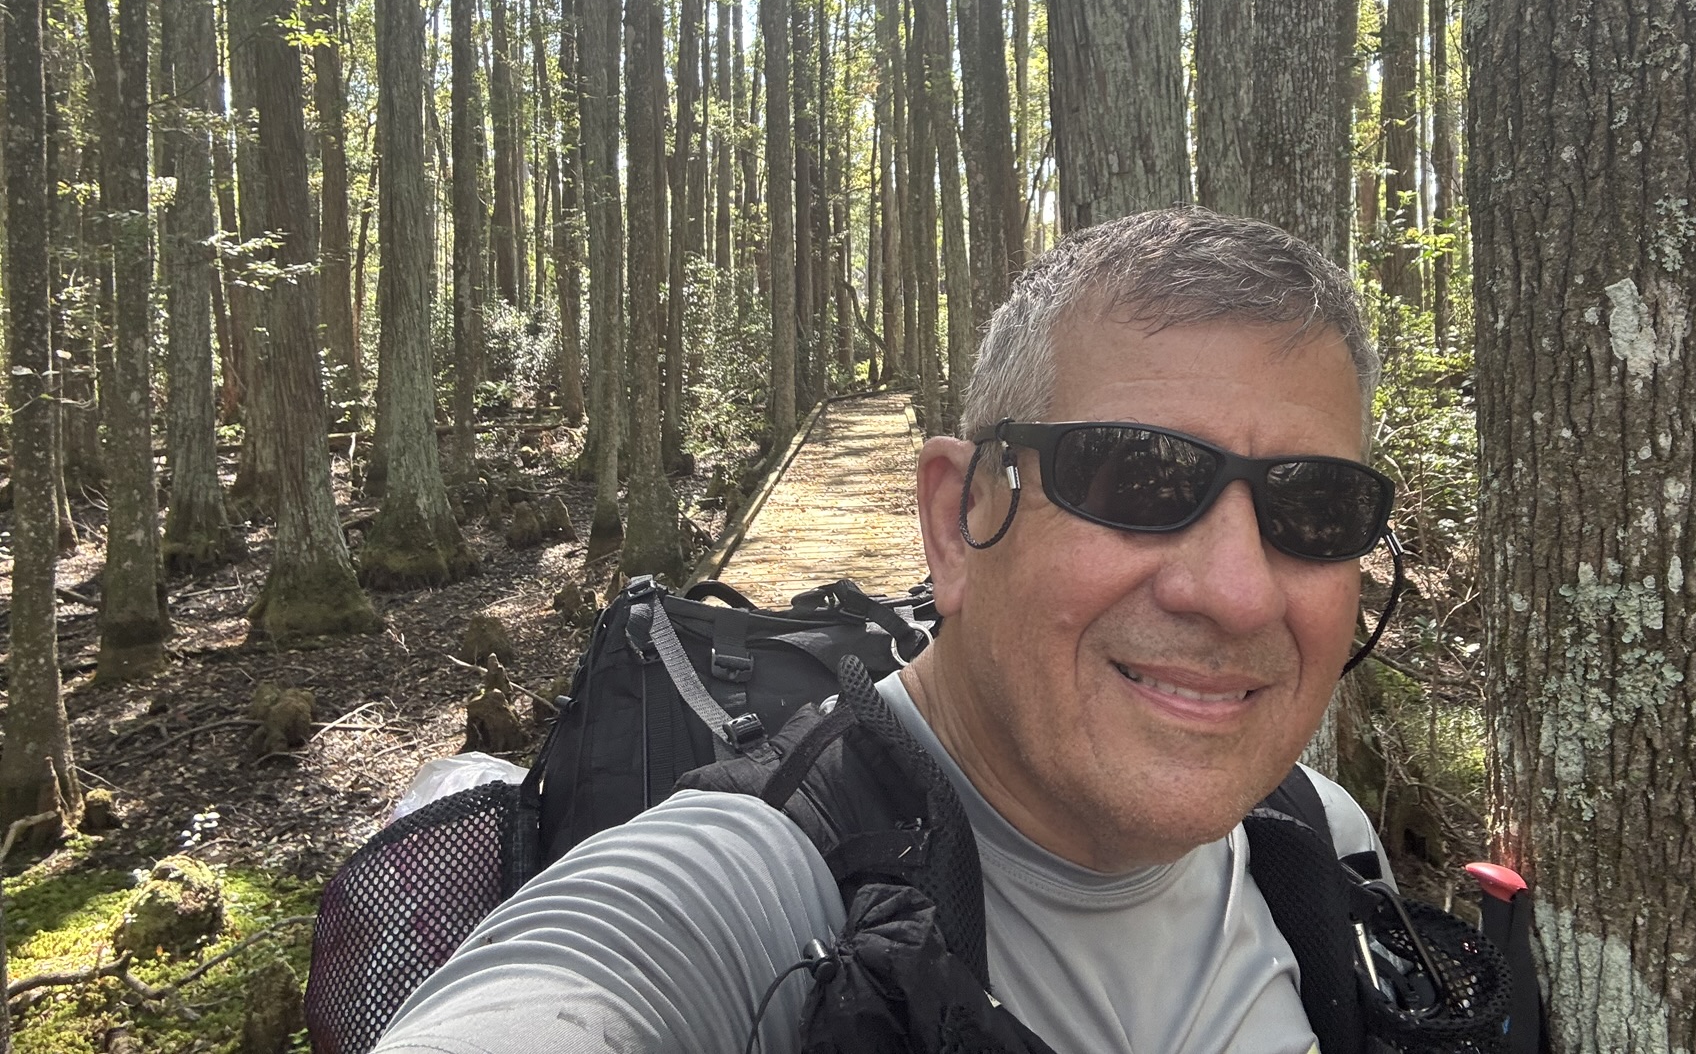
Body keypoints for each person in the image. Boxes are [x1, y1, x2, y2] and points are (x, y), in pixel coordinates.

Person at [377, 206, 1399, 1054]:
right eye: (1135, 478)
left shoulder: (1319, 841)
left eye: (1313, 510)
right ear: (955, 521)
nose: (1235, 592)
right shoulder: (743, 891)